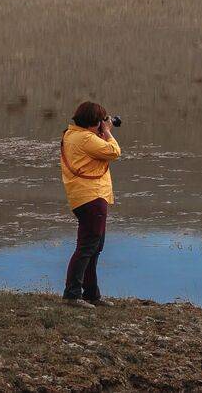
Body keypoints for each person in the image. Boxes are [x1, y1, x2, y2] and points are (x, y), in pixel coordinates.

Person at [59, 101, 121, 308]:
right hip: (91, 197)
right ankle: (72, 294)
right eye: (101, 120)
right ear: (94, 122)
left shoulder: (71, 134)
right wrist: (108, 132)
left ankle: (91, 294)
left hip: (85, 197)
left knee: (94, 247)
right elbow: (114, 152)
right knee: (87, 247)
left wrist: (100, 131)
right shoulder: (85, 138)